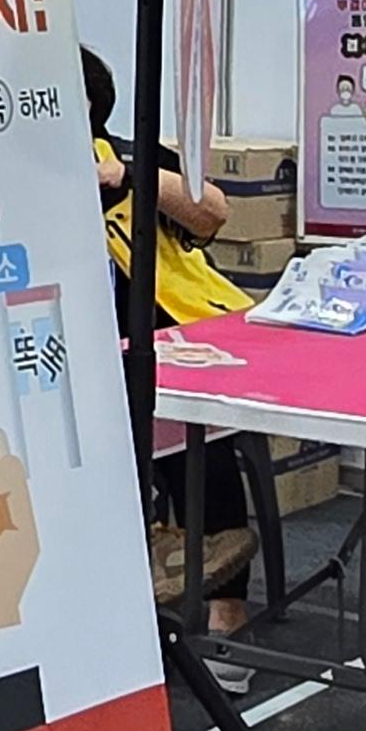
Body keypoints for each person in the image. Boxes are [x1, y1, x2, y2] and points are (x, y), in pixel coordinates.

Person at [84, 47, 257, 649]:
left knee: (198, 441)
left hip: (166, 343)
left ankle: (226, 613)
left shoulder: (128, 157)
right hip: (70, 359)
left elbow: (213, 213)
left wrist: (131, 177)